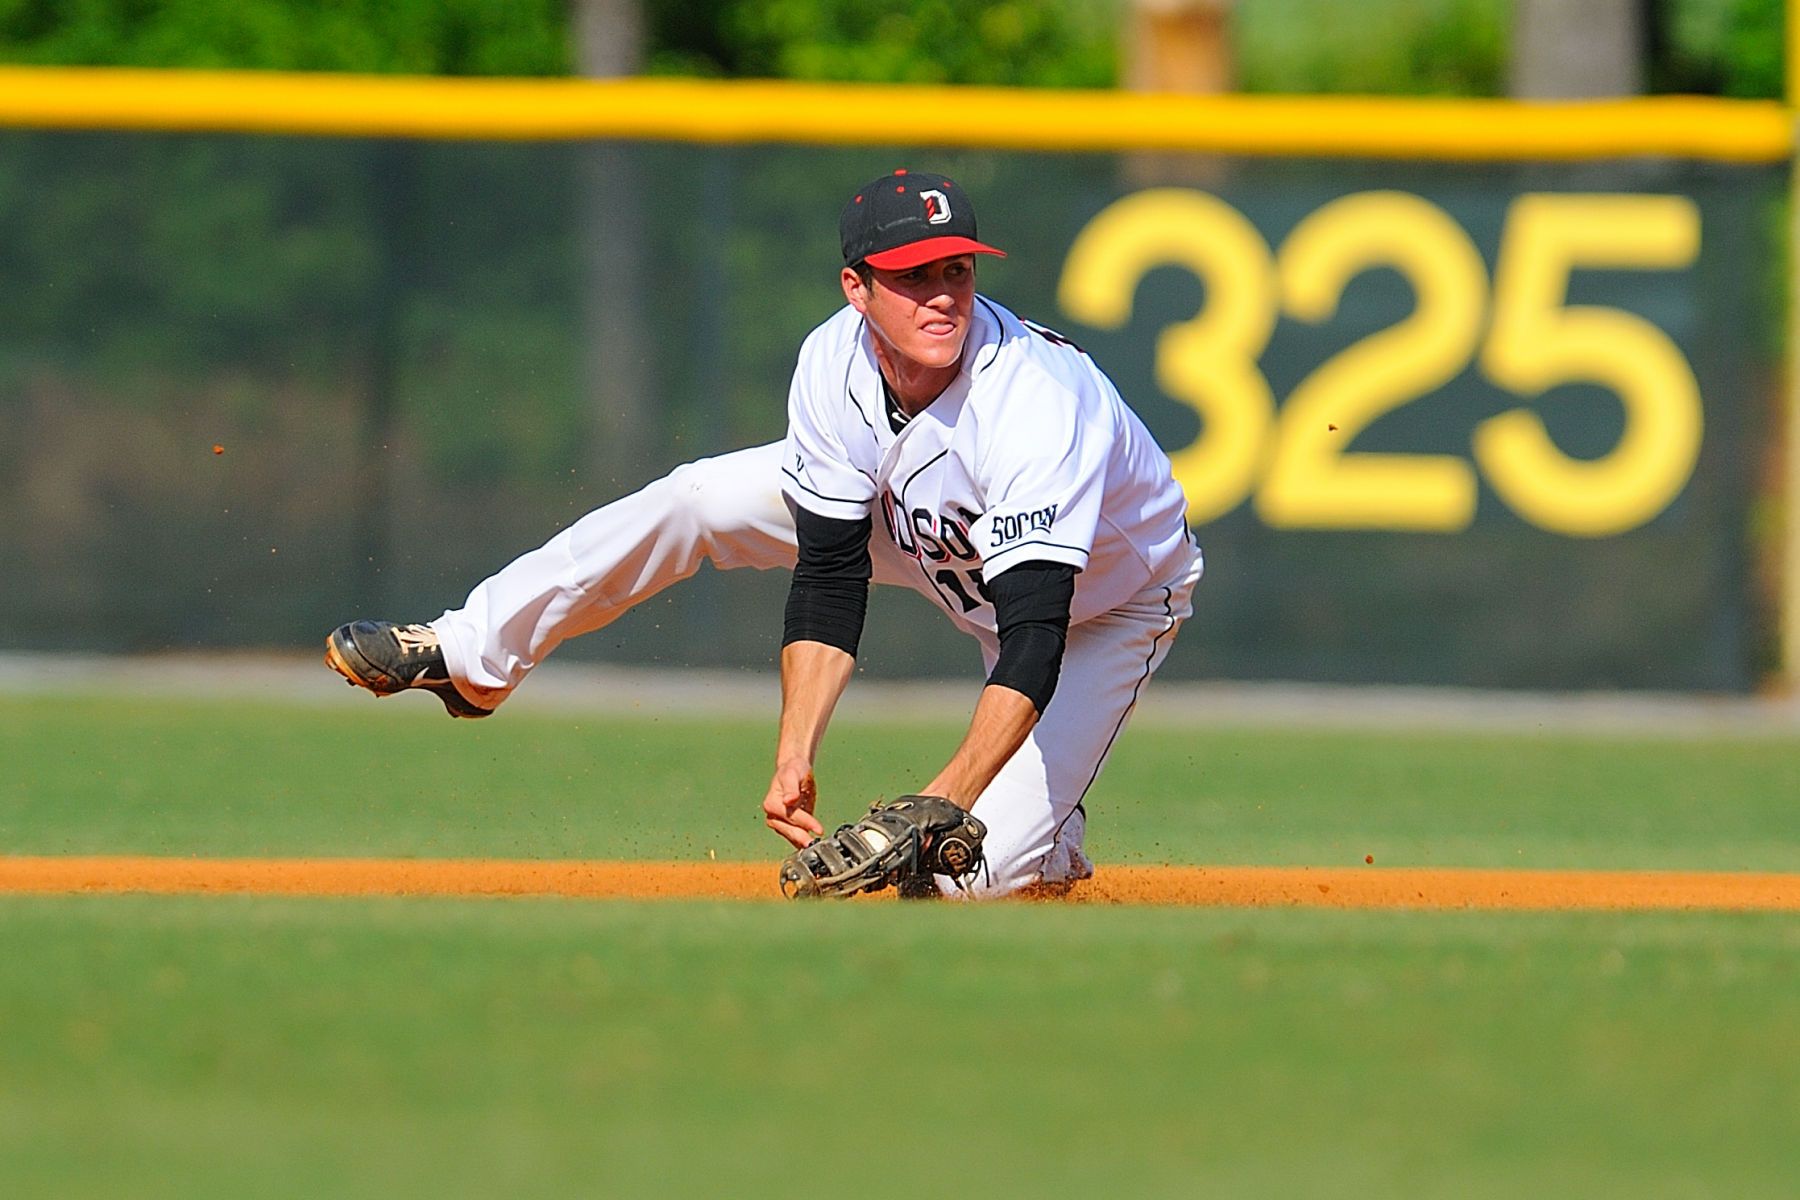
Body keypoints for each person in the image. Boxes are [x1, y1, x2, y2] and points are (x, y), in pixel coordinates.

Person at [326, 169, 1203, 899]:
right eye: (913, 276)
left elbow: (1035, 634)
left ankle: (1042, 840)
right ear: (855, 287)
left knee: (956, 878)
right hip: (926, 529)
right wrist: (794, 755)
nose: (943, 296)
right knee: (697, 499)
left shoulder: (1035, 403)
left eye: (958, 272)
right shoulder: (834, 361)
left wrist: (942, 801)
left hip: (1105, 604)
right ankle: (472, 657)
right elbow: (829, 578)